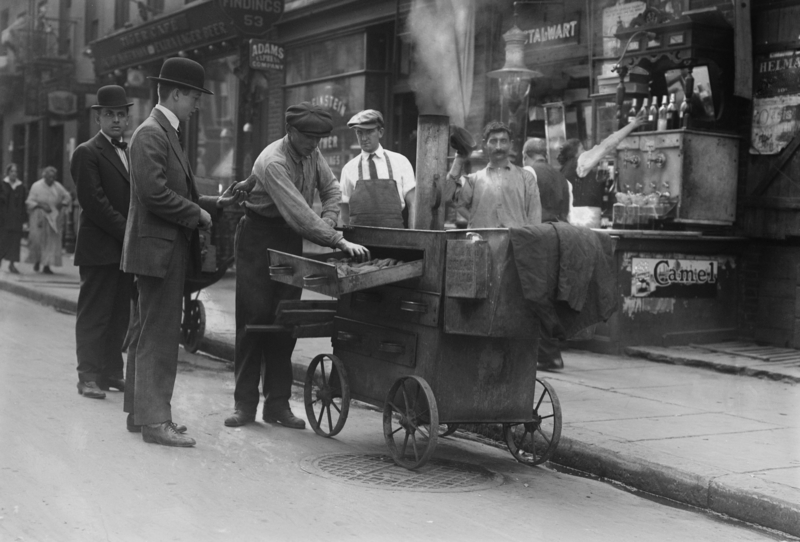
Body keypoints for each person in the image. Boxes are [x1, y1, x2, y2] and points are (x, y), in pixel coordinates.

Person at [121, 57, 246, 447]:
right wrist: (198, 214)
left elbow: (175, 189)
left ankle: (139, 414)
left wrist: (215, 205)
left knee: (147, 331)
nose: (197, 105)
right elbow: (154, 193)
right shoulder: (151, 134)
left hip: (160, 249)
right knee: (159, 335)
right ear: (175, 94)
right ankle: (156, 421)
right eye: (194, 97)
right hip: (158, 252)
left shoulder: (163, 132)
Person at [223, 102, 370, 429]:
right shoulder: (273, 161)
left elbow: (331, 190)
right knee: (254, 319)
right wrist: (337, 240)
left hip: (289, 237)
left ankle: (278, 404)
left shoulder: (312, 154)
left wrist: (331, 219)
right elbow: (300, 214)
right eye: (308, 138)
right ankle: (244, 405)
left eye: (319, 139)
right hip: (257, 239)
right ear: (290, 132)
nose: (314, 145)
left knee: (285, 318)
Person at [70, 85, 135, 400]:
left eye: (121, 114)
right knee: (95, 314)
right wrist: (129, 231)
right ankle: (88, 376)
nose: (116, 120)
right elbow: (94, 203)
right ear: (98, 116)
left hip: (122, 249)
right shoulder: (87, 152)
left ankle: (111, 372)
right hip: (99, 249)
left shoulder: (129, 151)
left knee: (119, 313)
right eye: (110, 114)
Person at [446, 120, 541, 228]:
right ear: (485, 144)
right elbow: (447, 197)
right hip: (482, 244)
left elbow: (535, 221)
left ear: (511, 144)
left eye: (503, 141)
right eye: (493, 141)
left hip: (516, 244)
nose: (498, 147)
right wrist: (459, 158)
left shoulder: (526, 178)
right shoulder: (474, 180)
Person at [558, 108, 645, 227]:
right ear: (576, 153)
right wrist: (633, 124)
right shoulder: (581, 161)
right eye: (583, 149)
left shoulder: (563, 170)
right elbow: (608, 144)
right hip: (586, 222)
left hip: (571, 222)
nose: (586, 152)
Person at [339, 109, 416, 228]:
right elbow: (344, 211)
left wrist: (414, 238)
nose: (364, 138)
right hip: (359, 242)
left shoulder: (400, 162)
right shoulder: (349, 169)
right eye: (359, 133)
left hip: (394, 239)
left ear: (380, 132)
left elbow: (413, 204)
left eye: (369, 132)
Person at [25, 166, 71, 274]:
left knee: (50, 242)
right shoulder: (36, 186)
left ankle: (47, 265)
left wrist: (62, 204)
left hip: (53, 218)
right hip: (39, 217)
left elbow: (67, 196)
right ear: (44, 176)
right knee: (38, 240)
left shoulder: (58, 186)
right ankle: (37, 261)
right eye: (50, 177)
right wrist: (40, 205)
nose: (52, 179)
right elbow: (29, 201)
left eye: (54, 177)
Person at [522, 138, 572, 223]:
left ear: (525, 157)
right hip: (559, 233)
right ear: (546, 156)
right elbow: (569, 216)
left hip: (535, 232)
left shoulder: (527, 172)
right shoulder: (565, 181)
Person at [0, 163, 27, 274]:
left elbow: (23, 204)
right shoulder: (2, 184)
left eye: (16, 171)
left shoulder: (21, 187)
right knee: (2, 241)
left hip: (16, 219)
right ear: (8, 172)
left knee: (15, 242)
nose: (14, 174)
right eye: (12, 171)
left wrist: (25, 220)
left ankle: (12, 264)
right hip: (3, 219)